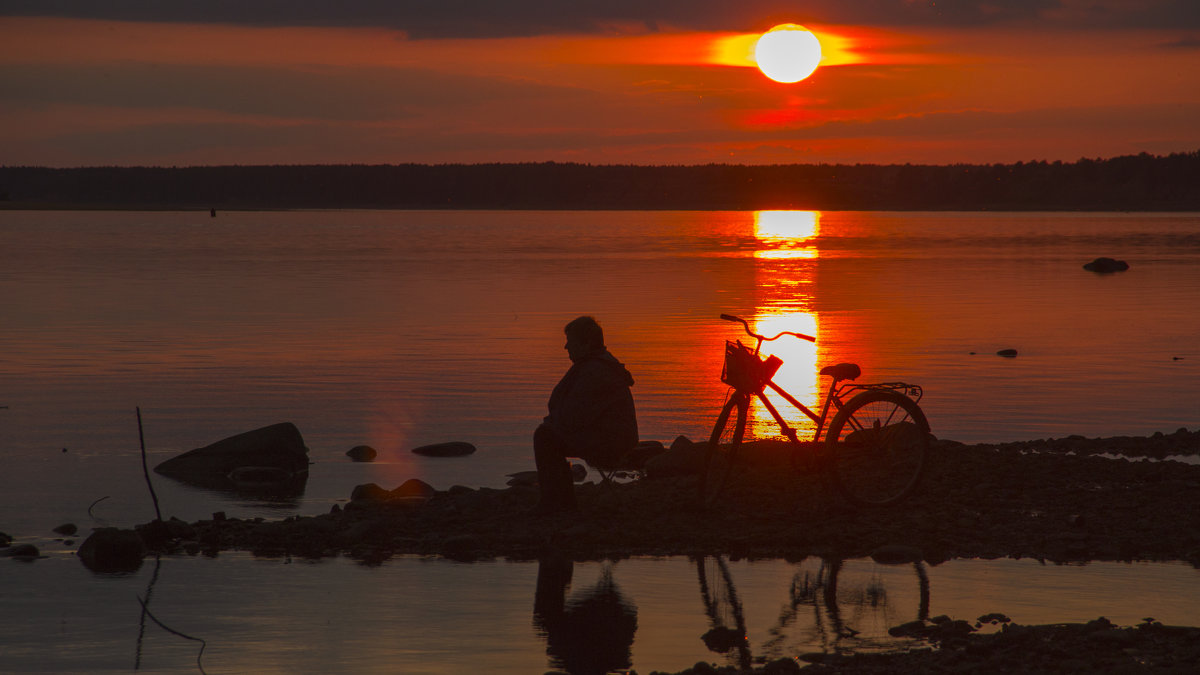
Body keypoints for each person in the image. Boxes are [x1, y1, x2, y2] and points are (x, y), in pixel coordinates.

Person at [533, 316, 637, 514]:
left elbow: (574, 415)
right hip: (610, 436)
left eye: (570, 341)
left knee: (545, 437)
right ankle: (559, 500)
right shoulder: (598, 365)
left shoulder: (595, 371)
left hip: (612, 443)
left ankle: (557, 503)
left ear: (586, 343)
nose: (565, 347)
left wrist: (553, 424)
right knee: (549, 433)